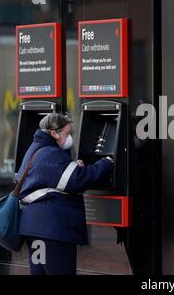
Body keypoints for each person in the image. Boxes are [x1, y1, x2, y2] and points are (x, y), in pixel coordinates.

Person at [17, 113, 114, 275]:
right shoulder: (51, 153)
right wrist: (106, 163)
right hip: (53, 231)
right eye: (67, 134)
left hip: (34, 229)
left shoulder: (35, 149)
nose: (69, 138)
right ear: (54, 133)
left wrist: (73, 166)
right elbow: (77, 180)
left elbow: (50, 176)